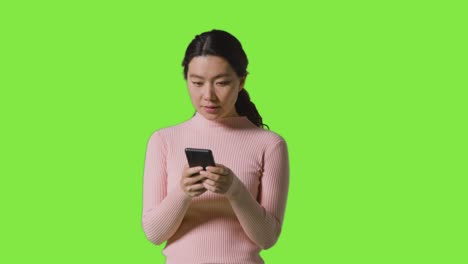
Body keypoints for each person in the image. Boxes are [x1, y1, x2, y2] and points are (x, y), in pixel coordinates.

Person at [142, 29, 289, 264]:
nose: (208, 95)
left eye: (221, 83)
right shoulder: (164, 140)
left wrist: (235, 190)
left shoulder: (269, 144)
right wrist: (183, 193)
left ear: (241, 81)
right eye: (197, 83)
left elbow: (268, 238)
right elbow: (153, 234)